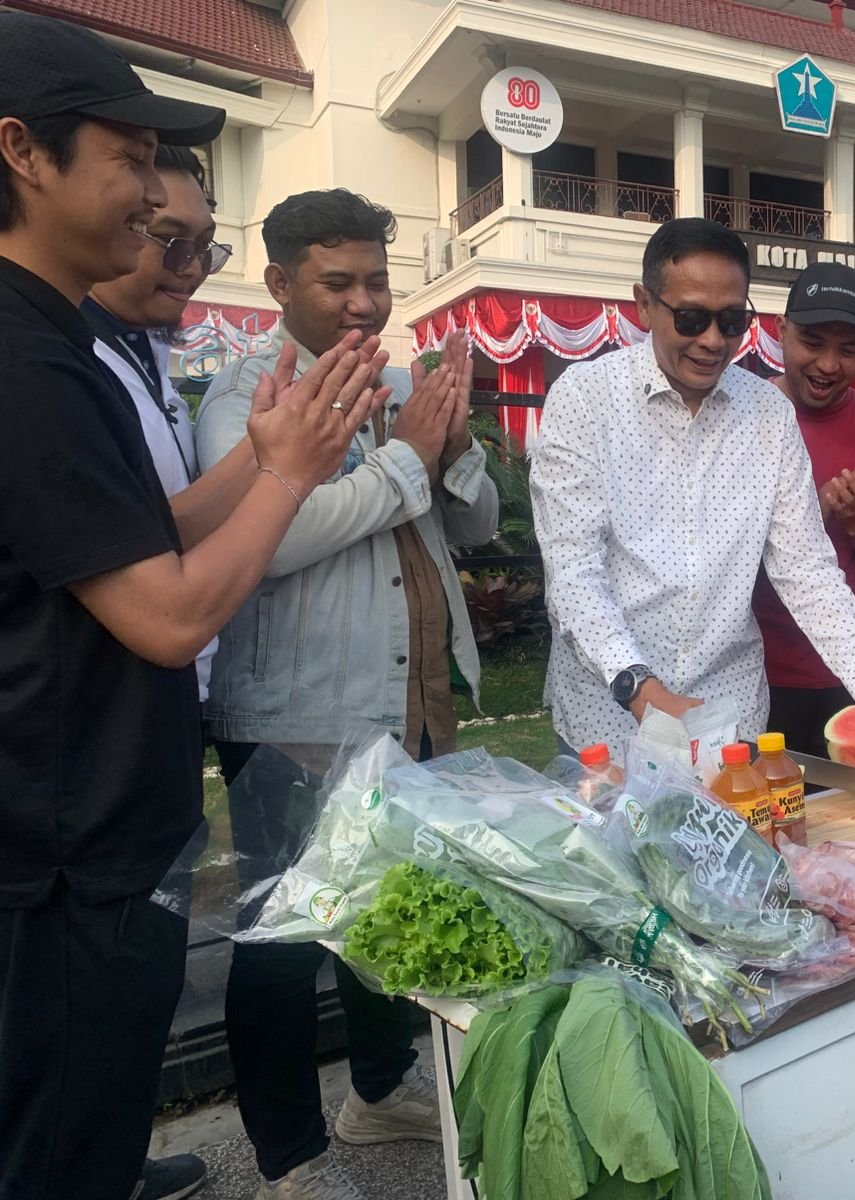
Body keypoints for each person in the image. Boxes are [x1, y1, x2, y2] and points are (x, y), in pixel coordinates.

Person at [0, 14, 386, 1200]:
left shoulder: (60, 343)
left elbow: (134, 538)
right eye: (129, 158)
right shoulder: (22, 361)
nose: (152, 196)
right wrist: (288, 474)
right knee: (58, 1141)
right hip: (67, 845)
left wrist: (259, 457)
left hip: (105, 821)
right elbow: (167, 617)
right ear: (23, 151)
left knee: (91, 1112)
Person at [196, 190, 498, 1200]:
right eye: (339, 282)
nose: (366, 303)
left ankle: (376, 1090)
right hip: (297, 720)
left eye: (377, 278)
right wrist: (412, 458)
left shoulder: (401, 381)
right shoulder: (244, 398)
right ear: (280, 284)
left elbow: (474, 530)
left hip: (414, 702)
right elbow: (271, 544)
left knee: (392, 917)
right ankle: (290, 1159)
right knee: (284, 941)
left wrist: (451, 458)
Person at [528, 217, 855, 752]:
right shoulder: (585, 398)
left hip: (730, 710)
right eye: (690, 318)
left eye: (730, 322)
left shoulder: (769, 412)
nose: (711, 341)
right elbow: (573, 572)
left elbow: (806, 568)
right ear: (644, 304)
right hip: (609, 713)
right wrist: (637, 685)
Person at [79, 140, 233, 1200]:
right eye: (163, 238)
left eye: (199, 246)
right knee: (95, 974)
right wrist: (286, 467)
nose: (182, 266)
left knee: (142, 972)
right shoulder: (66, 365)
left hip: (174, 714)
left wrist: (270, 459)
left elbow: (164, 521)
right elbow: (157, 580)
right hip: (93, 733)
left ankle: (113, 1157)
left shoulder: (152, 363)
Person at [752, 262, 855, 755]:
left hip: (853, 671)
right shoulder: (739, 417)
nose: (828, 364)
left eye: (848, 350)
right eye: (812, 342)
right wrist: (808, 516)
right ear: (779, 330)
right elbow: (710, 561)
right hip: (754, 671)